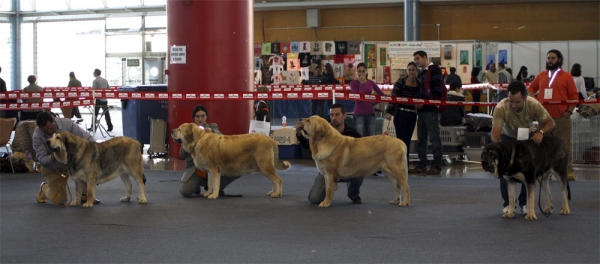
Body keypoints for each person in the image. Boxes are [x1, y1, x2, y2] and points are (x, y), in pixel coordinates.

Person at [491, 81, 555, 214]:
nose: (513, 105)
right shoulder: (501, 107)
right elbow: (495, 132)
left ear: (525, 98)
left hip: (527, 136)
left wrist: (540, 132)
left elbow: (551, 122)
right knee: (505, 170)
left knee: (528, 169)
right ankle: (509, 204)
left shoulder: (533, 104)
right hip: (507, 137)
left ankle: (525, 203)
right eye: (511, 101)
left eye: (517, 102)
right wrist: (500, 147)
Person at [295, 103, 364, 204]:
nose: (334, 118)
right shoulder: (322, 130)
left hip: (347, 171)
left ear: (344, 116)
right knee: (314, 199)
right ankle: (328, 188)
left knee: (360, 171)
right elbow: (306, 145)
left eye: (337, 115)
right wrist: (299, 134)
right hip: (326, 171)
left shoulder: (352, 133)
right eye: (332, 115)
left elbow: (363, 146)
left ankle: (353, 194)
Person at [528, 49, 579, 181]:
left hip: (561, 119)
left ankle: (567, 171)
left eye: (553, 58)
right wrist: (534, 101)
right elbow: (531, 89)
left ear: (559, 60)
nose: (550, 60)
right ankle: (545, 173)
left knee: (564, 146)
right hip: (544, 119)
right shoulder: (541, 75)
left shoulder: (567, 76)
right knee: (543, 147)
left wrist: (569, 111)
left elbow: (574, 96)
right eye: (548, 58)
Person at [33, 112, 100, 205]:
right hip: (54, 167)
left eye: (50, 129)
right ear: (40, 128)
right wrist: (55, 155)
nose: (49, 132)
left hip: (74, 164)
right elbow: (43, 160)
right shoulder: (37, 136)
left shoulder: (68, 124)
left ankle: (85, 194)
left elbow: (87, 138)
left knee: (90, 168)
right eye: (45, 131)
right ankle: (44, 189)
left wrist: (96, 153)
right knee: (59, 200)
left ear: (53, 120)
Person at [179, 105, 241, 197]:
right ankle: (197, 186)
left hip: (213, 165)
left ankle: (214, 187)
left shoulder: (213, 126)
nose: (200, 119)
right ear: (193, 118)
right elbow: (182, 155)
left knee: (238, 168)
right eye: (197, 116)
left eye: (203, 116)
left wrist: (212, 131)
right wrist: (188, 142)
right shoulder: (188, 131)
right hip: (195, 170)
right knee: (185, 192)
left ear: (206, 117)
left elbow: (223, 139)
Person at [409, 50, 444, 175]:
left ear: (425, 58)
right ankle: (422, 164)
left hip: (431, 110)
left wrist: (425, 101)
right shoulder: (422, 73)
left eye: (418, 58)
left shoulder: (434, 70)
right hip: (422, 111)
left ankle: (436, 165)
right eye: (415, 59)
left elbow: (438, 90)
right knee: (421, 139)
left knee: (434, 138)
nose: (416, 61)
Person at [385, 61, 421, 158]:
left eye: (413, 70)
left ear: (416, 71)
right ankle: (399, 163)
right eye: (409, 70)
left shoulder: (419, 83)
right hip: (400, 114)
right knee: (400, 141)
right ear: (407, 71)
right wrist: (388, 111)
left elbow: (421, 99)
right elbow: (394, 96)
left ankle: (405, 165)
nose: (411, 72)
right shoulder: (401, 81)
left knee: (407, 141)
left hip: (412, 115)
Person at [350, 62, 385, 136]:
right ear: (357, 72)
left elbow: (382, 95)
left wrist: (374, 102)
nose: (361, 73)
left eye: (363, 71)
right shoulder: (353, 83)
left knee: (371, 139)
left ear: (366, 72)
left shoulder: (371, 83)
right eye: (359, 71)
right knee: (360, 138)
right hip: (359, 114)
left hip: (370, 113)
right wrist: (362, 84)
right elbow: (359, 98)